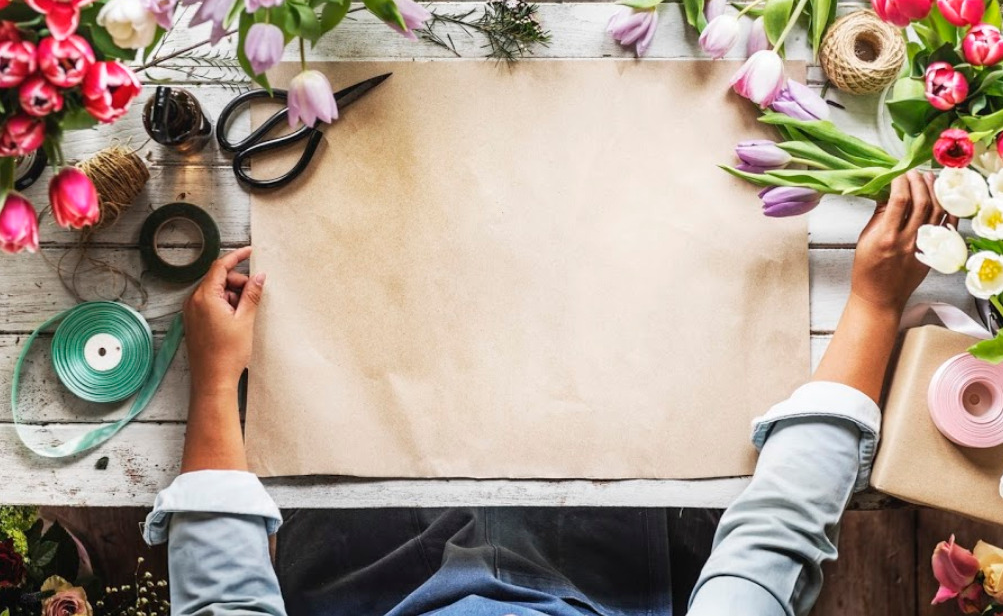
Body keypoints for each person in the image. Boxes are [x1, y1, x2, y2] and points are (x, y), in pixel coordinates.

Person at [144, 171, 949, 616]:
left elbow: (220, 600)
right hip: (609, 555)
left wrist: (216, 382)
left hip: (366, 561)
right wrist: (872, 306)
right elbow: (771, 540)